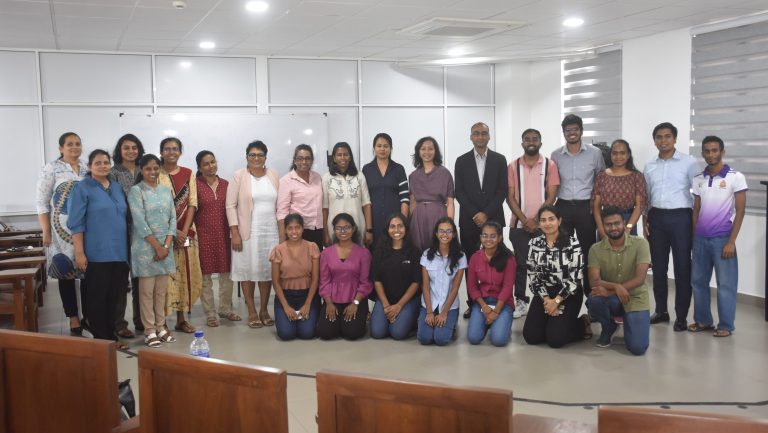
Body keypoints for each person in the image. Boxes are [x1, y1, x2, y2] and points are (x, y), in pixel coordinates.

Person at [68, 149, 130, 349]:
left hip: (119, 252)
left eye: (106, 162)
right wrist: (79, 253)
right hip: (96, 253)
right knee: (98, 298)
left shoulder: (116, 187)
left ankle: (111, 334)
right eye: (98, 163)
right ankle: (103, 339)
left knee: (114, 297)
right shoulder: (82, 188)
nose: (103, 166)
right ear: (89, 167)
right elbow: (76, 223)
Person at [642, 122, 699, 331]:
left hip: (681, 217)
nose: (663, 140)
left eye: (667, 136)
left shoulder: (689, 162)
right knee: (658, 268)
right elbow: (646, 196)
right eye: (659, 137)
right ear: (654, 140)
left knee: (683, 267)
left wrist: (695, 223)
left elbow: (699, 194)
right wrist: (645, 221)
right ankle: (661, 311)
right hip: (656, 217)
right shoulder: (649, 165)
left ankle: (681, 316)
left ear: (675, 139)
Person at [689, 136, 747, 338]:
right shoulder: (698, 179)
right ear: (702, 153)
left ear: (722, 152)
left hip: (723, 239)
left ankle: (726, 325)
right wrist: (694, 236)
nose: (711, 154)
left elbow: (740, 211)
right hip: (700, 240)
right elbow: (696, 209)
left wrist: (731, 241)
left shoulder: (735, 177)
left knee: (726, 284)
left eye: (715, 150)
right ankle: (703, 320)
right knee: (698, 282)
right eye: (707, 151)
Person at [454, 122, 508, 320]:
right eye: (476, 133)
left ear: (489, 136)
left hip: (494, 219)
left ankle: (495, 301)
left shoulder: (499, 160)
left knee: (496, 261)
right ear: (471, 137)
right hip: (469, 221)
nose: (480, 136)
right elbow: (459, 191)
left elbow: (502, 190)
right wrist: (475, 213)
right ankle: (473, 303)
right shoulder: (461, 161)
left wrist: (486, 214)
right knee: (471, 263)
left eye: (484, 133)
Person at [36, 132, 88, 335]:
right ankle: (73, 318)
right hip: (60, 232)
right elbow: (41, 202)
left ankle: (88, 316)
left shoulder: (87, 167)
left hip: (87, 230)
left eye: (78, 143)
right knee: (66, 273)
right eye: (70, 144)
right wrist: (46, 231)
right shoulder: (52, 168)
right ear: (61, 148)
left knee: (87, 273)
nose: (74, 147)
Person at [507, 128, 560, 320]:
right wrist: (524, 220)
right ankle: (521, 301)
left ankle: (546, 301)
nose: (531, 142)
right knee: (521, 265)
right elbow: (510, 197)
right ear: (522, 143)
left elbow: (552, 196)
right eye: (527, 139)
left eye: (535, 139)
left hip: (544, 227)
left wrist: (536, 221)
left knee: (545, 265)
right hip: (518, 226)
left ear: (540, 143)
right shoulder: (513, 166)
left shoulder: (550, 165)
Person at [227, 141, 280, 329]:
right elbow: (230, 205)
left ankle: (264, 310)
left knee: (267, 271)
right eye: (252, 155)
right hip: (246, 232)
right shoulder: (239, 176)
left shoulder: (273, 175)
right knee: (247, 271)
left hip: (270, 232)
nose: (256, 158)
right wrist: (234, 232)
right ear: (246, 157)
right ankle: (251, 310)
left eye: (260, 155)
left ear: (265, 157)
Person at [550, 114, 605, 295]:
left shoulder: (595, 153)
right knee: (562, 249)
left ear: (581, 131)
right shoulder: (556, 155)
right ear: (563, 132)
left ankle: (590, 293)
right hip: (563, 206)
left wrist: (596, 204)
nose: (572, 133)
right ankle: (565, 291)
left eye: (575, 129)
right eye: (568, 130)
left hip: (585, 207)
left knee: (588, 250)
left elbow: (601, 179)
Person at [128, 154, 178, 348]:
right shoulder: (136, 191)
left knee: (160, 292)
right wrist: (157, 247)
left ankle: (161, 327)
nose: (152, 172)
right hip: (145, 249)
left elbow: (172, 219)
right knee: (147, 293)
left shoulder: (166, 190)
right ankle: (149, 330)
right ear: (141, 170)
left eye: (156, 168)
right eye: (148, 168)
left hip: (165, 249)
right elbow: (139, 221)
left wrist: (166, 246)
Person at [587, 207, 651, 355]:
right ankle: (609, 326)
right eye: (608, 224)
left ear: (624, 222)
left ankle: (630, 321)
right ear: (603, 226)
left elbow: (640, 278)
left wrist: (612, 290)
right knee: (594, 299)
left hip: (635, 297)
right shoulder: (595, 249)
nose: (613, 228)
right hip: (612, 299)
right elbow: (594, 281)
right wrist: (616, 287)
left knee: (638, 348)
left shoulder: (641, 244)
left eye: (617, 223)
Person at [522, 205, 588, 348]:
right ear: (539, 223)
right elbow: (533, 275)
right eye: (543, 220)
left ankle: (583, 324)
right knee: (531, 337)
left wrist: (557, 300)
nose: (547, 223)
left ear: (559, 220)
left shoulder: (572, 243)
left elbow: (575, 278)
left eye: (551, 219)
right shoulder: (534, 243)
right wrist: (547, 299)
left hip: (568, 293)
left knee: (555, 339)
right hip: (544, 292)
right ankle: (551, 323)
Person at [158, 137, 202, 333]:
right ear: (161, 152)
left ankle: (181, 319)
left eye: (175, 149)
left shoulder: (188, 173)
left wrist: (183, 231)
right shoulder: (155, 172)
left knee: (185, 273)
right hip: (163, 234)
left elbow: (192, 203)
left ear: (180, 152)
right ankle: (162, 322)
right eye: (167, 149)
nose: (171, 152)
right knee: (165, 277)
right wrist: (173, 231)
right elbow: (156, 206)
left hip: (186, 233)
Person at [195, 150, 239, 328]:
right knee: (205, 277)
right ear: (199, 167)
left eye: (213, 162)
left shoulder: (227, 185)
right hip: (203, 236)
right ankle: (210, 313)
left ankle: (225, 309)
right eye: (206, 164)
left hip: (224, 235)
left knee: (226, 274)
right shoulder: (195, 185)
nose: (210, 166)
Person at [109, 133, 145, 338]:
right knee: (121, 280)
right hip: (122, 231)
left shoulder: (145, 168)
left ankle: (142, 320)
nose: (131, 151)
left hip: (144, 232)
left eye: (134, 147)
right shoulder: (113, 172)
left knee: (141, 278)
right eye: (126, 148)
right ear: (119, 151)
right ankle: (119, 324)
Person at [317, 213, 372, 340]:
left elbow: (365, 283)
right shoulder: (326, 253)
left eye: (347, 227)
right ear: (334, 230)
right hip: (332, 300)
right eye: (339, 228)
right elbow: (324, 282)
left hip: (355, 299)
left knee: (352, 333)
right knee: (325, 333)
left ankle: (356, 320)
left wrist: (355, 303)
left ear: (353, 229)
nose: (343, 231)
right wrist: (329, 303)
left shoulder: (364, 253)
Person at [370, 212, 421, 340]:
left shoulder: (414, 252)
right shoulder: (379, 251)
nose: (396, 230)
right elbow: (377, 280)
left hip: (407, 300)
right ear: (387, 230)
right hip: (385, 299)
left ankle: (411, 319)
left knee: (398, 333)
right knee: (377, 332)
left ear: (406, 229)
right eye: (392, 226)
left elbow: (416, 282)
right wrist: (386, 305)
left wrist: (399, 306)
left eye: (400, 226)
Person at [270, 213, 321, 340]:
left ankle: (304, 319)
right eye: (290, 228)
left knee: (307, 333)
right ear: (285, 230)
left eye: (297, 227)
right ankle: (290, 319)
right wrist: (286, 306)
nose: (294, 232)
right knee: (286, 334)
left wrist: (307, 304)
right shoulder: (278, 250)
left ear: (303, 228)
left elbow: (315, 279)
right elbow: (275, 281)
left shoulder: (312, 247)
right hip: (285, 296)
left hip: (307, 295)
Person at [466, 221, 516, 347]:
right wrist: (484, 307)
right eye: (485, 235)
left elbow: (507, 288)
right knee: (474, 338)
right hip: (482, 302)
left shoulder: (509, 258)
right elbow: (472, 287)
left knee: (499, 340)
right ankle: (490, 323)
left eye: (493, 236)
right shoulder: (475, 258)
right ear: (480, 237)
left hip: (503, 303)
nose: (488, 239)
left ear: (500, 238)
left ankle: (501, 324)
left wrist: (495, 312)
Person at [418, 217, 466, 346]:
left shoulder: (461, 257)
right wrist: (429, 312)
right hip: (430, 304)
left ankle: (451, 322)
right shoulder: (426, 255)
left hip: (449, 306)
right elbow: (425, 286)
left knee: (441, 339)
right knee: (425, 339)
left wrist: (444, 313)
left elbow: (455, 288)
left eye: (449, 231)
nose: (445, 234)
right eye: (441, 231)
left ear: (454, 234)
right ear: (436, 233)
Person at [362, 133, 410, 248]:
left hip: (394, 222)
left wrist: (402, 224)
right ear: (374, 148)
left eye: (386, 146)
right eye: (379, 146)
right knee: (374, 253)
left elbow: (405, 199)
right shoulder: (367, 169)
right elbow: (364, 199)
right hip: (373, 221)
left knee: (395, 251)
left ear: (391, 148)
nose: (382, 149)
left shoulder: (398, 169)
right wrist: (368, 228)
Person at [322, 142, 373, 247]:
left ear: (350, 157)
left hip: (357, 227)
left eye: (345, 154)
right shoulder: (326, 178)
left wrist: (369, 230)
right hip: (335, 229)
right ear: (334, 158)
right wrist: (325, 233)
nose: (343, 158)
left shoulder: (359, 176)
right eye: (339, 155)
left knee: (357, 255)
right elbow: (324, 208)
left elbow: (366, 204)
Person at [409, 137, 455, 252]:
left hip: (438, 215)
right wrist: (409, 223)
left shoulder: (445, 173)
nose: (427, 152)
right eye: (423, 149)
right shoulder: (413, 176)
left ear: (436, 151)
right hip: (418, 217)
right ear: (418, 152)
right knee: (417, 250)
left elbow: (450, 203)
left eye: (430, 149)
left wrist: (449, 224)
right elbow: (412, 202)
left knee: (439, 249)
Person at [592, 139, 646, 238]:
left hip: (628, 220)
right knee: (605, 248)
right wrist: (600, 228)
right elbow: (596, 206)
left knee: (628, 248)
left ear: (628, 155)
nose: (618, 157)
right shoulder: (602, 176)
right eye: (615, 153)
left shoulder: (637, 176)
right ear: (610, 155)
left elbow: (639, 206)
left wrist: (628, 228)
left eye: (622, 153)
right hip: (606, 222)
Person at [277, 144, 324, 250]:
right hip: (297, 231)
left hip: (318, 229)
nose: (304, 162)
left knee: (316, 259)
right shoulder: (286, 181)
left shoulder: (317, 177)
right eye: (300, 158)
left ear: (312, 161)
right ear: (294, 161)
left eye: (307, 158)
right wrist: (282, 238)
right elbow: (282, 212)